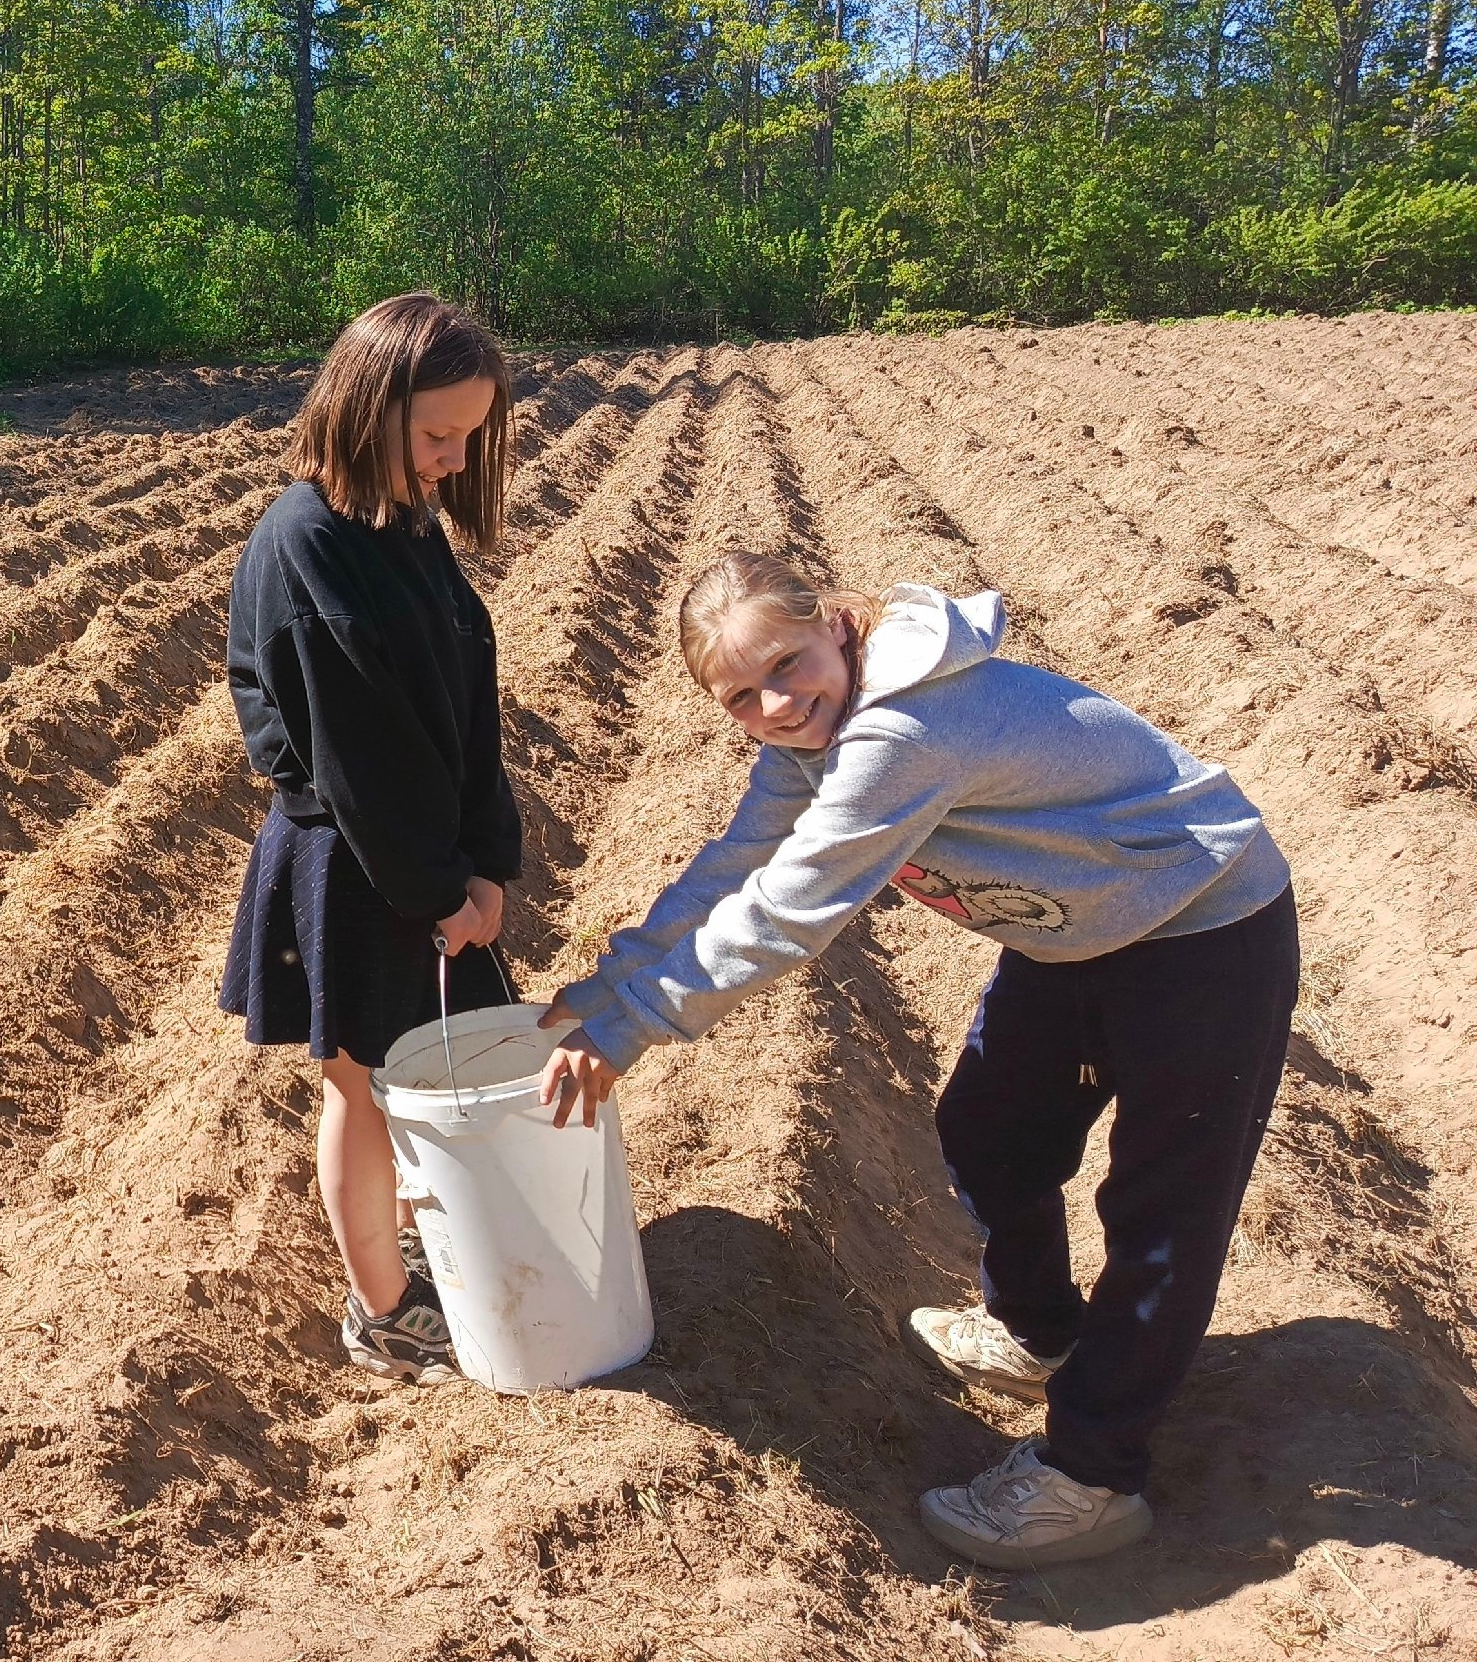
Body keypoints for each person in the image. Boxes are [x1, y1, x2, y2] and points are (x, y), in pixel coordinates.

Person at [536, 553, 1297, 1569]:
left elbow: (786, 910)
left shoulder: (902, 729)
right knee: (987, 1136)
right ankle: (1042, 1338)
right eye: (740, 696)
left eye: (787, 663)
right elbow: (738, 862)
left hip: (1203, 930)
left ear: (836, 629)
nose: (773, 700)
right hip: (1075, 935)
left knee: (1161, 1214)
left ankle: (1092, 1476)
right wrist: (606, 986)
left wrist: (630, 1028)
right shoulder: (807, 737)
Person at [219, 293, 525, 1387]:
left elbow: (461, 705)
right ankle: (383, 1314)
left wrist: (489, 858)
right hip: (356, 868)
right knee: (363, 1087)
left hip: (424, 856)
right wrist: (440, 890)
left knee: (422, 1083)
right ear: (366, 402)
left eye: (467, 438)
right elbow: (359, 752)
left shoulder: (401, 525)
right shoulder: (306, 541)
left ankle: (417, 1259)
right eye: (436, 434)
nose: (450, 460)